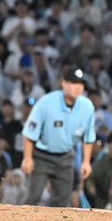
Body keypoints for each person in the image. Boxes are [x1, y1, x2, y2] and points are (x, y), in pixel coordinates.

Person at [21, 67, 95, 207]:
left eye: (80, 84)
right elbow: (29, 132)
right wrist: (27, 158)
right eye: (73, 82)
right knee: (32, 197)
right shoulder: (46, 102)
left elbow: (89, 137)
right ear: (64, 83)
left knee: (62, 203)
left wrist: (86, 161)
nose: (77, 87)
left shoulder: (87, 107)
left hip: (65, 158)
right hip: (42, 156)